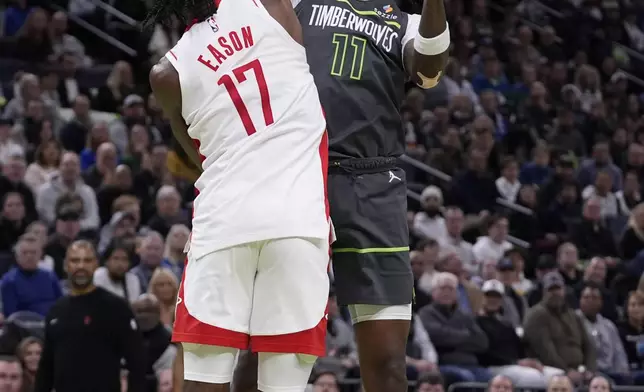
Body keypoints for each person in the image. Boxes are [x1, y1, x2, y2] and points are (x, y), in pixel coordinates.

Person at [234, 0, 451, 389]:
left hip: (374, 185)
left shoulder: (406, 22)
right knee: (264, 347)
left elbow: (430, 72)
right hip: (298, 176)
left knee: (387, 362)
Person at [146, 0, 332, 391]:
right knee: (283, 384)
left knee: (202, 382)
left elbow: (195, 153)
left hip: (223, 224)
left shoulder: (165, 74)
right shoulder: (268, 6)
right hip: (297, 220)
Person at [34, 240, 145, 392]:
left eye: (87, 260)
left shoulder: (116, 308)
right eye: (75, 260)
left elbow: (137, 364)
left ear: (96, 265)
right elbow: (46, 367)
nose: (81, 266)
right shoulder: (56, 311)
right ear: (66, 266)